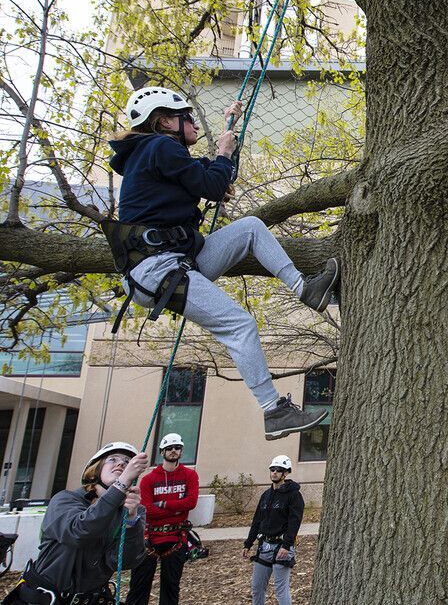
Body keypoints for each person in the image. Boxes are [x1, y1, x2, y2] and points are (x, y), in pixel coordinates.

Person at [108, 86, 336, 441]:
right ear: (166, 121)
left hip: (175, 261)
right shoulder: (160, 146)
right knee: (240, 325)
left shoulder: (155, 154)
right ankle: (273, 410)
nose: (194, 124)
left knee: (250, 228)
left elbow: (214, 176)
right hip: (158, 269)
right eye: (188, 118)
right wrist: (224, 154)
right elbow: (212, 184)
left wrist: (229, 132)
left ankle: (305, 289)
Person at [2, 442, 148, 604]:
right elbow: (79, 531)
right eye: (112, 459)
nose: (121, 463)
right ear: (96, 469)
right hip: (43, 598)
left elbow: (127, 560)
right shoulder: (65, 500)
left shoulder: (133, 511)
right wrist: (121, 484)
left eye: (127, 462)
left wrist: (130, 522)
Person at [125, 433, 200, 605]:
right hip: (149, 537)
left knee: (171, 587)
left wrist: (164, 504)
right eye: (169, 448)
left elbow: (191, 502)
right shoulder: (149, 479)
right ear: (162, 451)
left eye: (177, 448)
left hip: (175, 537)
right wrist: (176, 508)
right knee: (139, 586)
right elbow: (147, 510)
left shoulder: (190, 475)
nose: (173, 451)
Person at [243, 455, 305, 605]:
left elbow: (294, 522)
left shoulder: (294, 495)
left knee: (281, 589)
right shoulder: (266, 495)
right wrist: (248, 543)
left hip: (282, 548)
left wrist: (286, 545)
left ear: (286, 473)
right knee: (257, 588)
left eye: (279, 470)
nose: (275, 473)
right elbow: (257, 520)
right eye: (272, 469)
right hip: (264, 547)